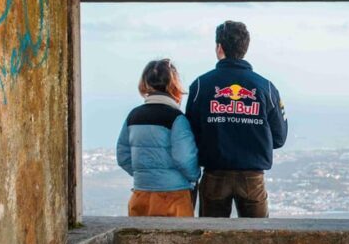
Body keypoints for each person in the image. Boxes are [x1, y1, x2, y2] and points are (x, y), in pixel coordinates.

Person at [185, 21, 288, 217]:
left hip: (214, 173)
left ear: (219, 47)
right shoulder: (266, 87)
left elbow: (190, 133)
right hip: (252, 176)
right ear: (245, 48)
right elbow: (279, 137)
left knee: (211, 238)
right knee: (258, 240)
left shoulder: (200, 85)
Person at [117, 59, 200, 216]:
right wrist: (194, 176)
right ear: (173, 84)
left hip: (140, 194)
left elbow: (123, 156)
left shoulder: (133, 117)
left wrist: (145, 174)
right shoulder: (177, 118)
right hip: (173, 197)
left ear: (146, 83)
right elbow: (184, 158)